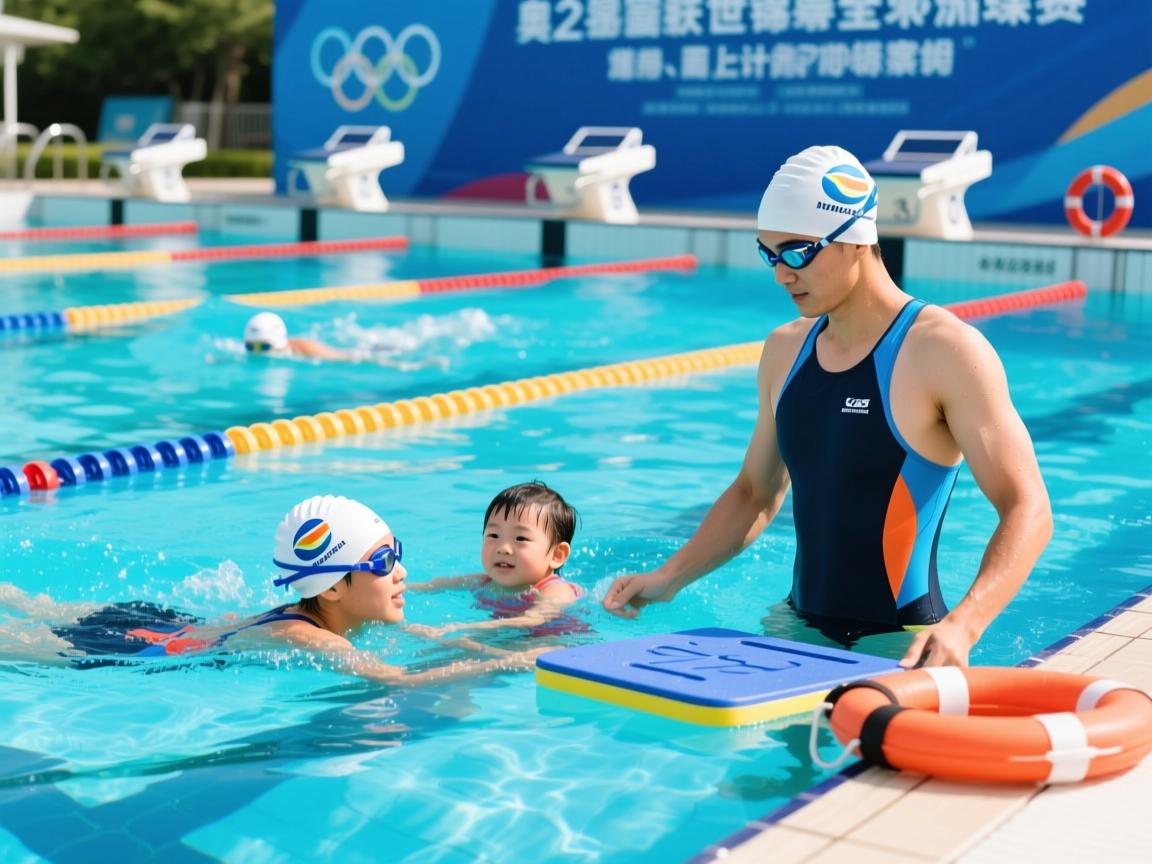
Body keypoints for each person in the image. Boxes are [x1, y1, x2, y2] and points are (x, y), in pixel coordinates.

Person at [603, 145, 1053, 669]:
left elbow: (1029, 508)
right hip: (794, 629)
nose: (780, 274)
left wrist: (966, 624)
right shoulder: (784, 350)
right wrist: (669, 577)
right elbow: (755, 493)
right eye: (768, 254)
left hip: (902, 646)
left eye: (796, 252)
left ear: (856, 238)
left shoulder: (944, 351)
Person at [0, 495, 551, 684]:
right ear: (333, 587)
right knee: (23, 638)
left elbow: (437, 635)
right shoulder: (313, 638)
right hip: (135, 647)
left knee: (43, 607)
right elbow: (401, 679)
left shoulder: (322, 613)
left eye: (397, 552)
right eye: (383, 560)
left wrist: (500, 644)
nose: (401, 571)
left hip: (164, 619)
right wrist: (509, 665)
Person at [407, 481, 585, 637]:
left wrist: (457, 628)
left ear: (556, 555)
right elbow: (431, 586)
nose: (503, 548)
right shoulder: (483, 581)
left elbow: (532, 620)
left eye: (520, 539)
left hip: (551, 640)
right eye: (493, 535)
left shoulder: (555, 591)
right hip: (505, 635)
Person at [243, 311, 446, 370]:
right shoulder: (263, 353)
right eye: (251, 347)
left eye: (264, 347)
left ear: (279, 343)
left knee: (403, 348)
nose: (258, 352)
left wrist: (411, 366)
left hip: (365, 351)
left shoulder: (309, 351)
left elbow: (351, 358)